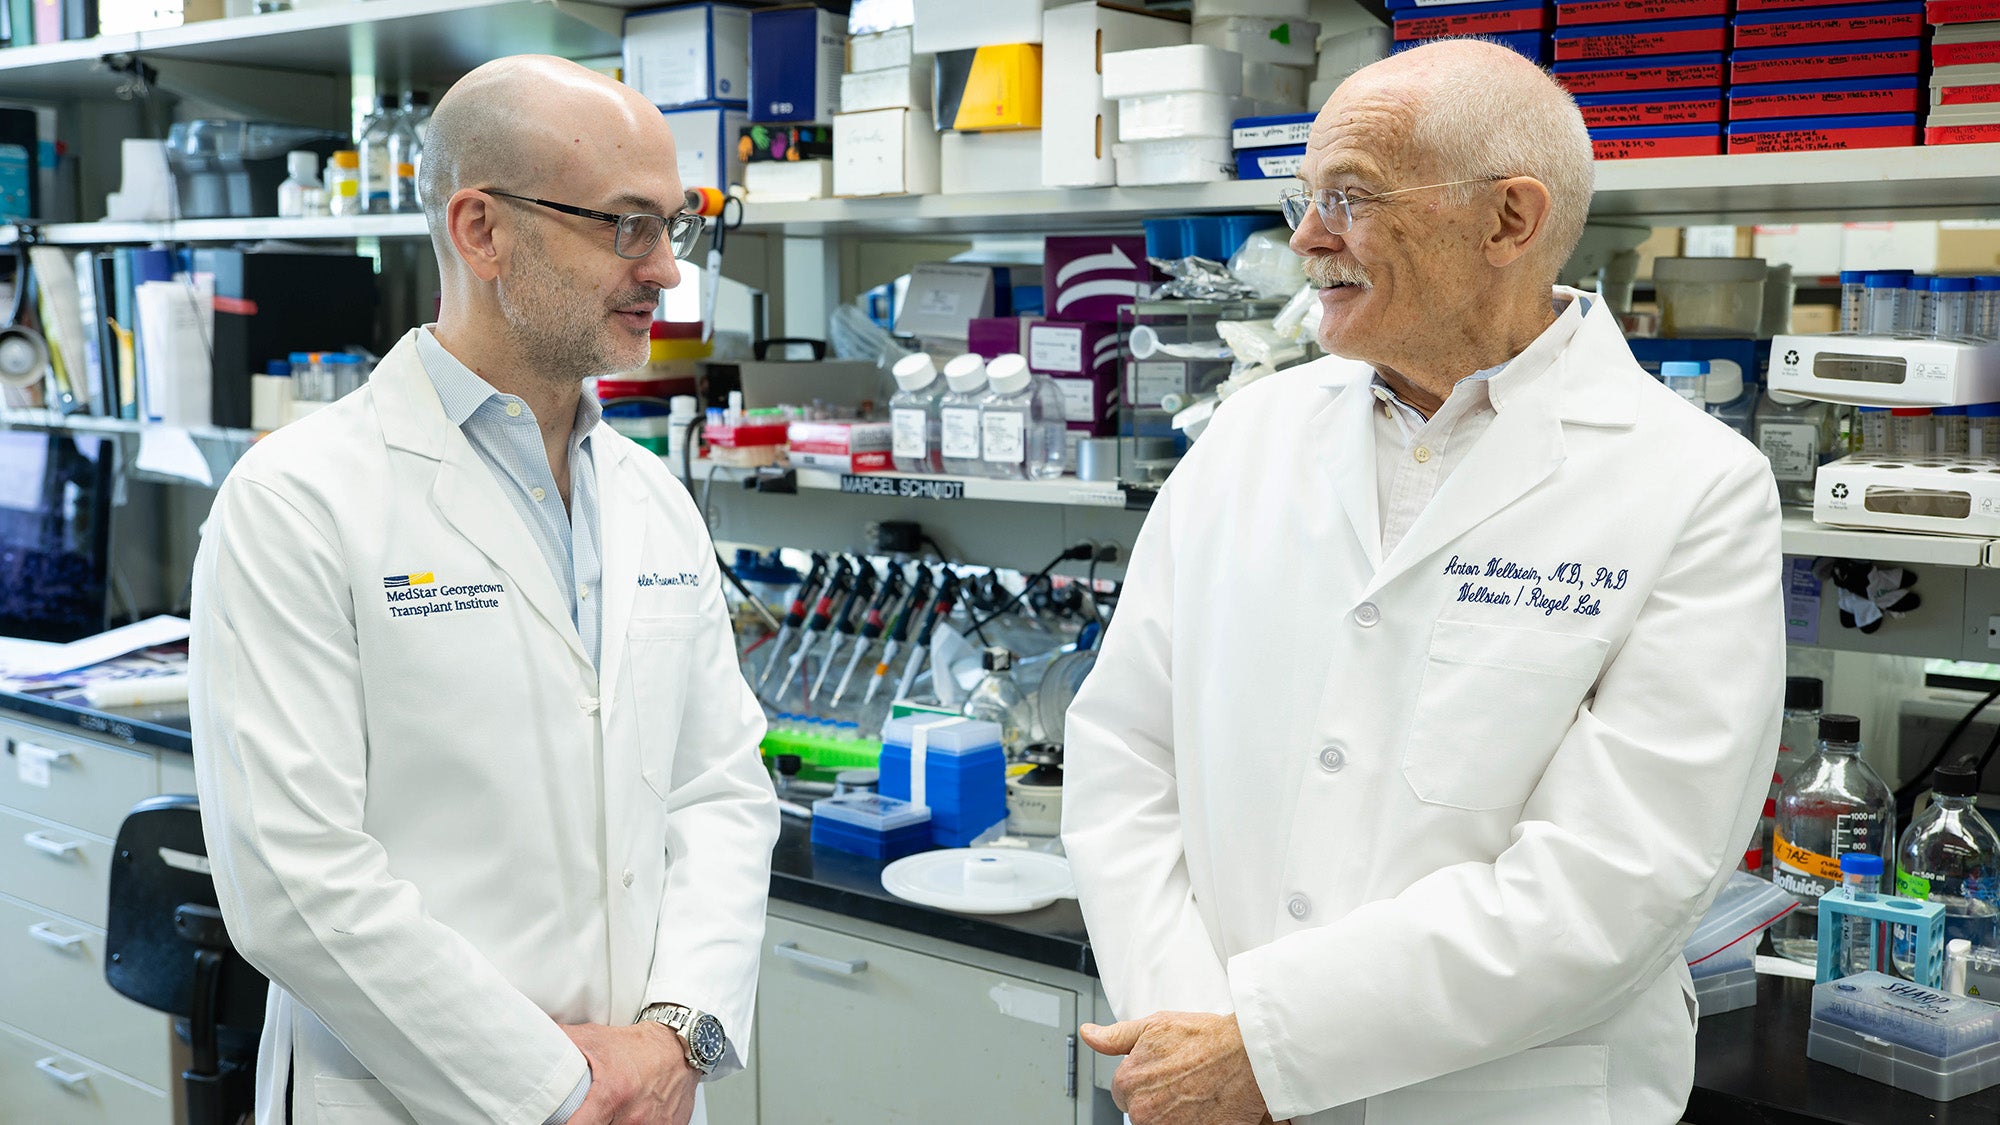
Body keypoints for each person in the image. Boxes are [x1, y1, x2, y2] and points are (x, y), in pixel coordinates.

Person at [1062, 38, 1782, 1125]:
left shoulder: (1691, 485)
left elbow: (1616, 878)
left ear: (1508, 220)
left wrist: (1270, 1047)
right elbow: (1123, 750)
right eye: (1303, 196)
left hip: (1503, 1099)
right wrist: (1191, 1030)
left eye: (1348, 197)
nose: (1305, 237)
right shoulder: (1245, 435)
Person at [190, 55, 779, 1125]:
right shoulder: (299, 501)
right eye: (626, 226)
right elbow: (295, 883)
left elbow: (719, 793)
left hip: (648, 1095)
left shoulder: (652, 501)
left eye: (671, 227)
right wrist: (555, 1089)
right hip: (420, 1102)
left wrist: (676, 1036)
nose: (664, 271)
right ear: (481, 229)